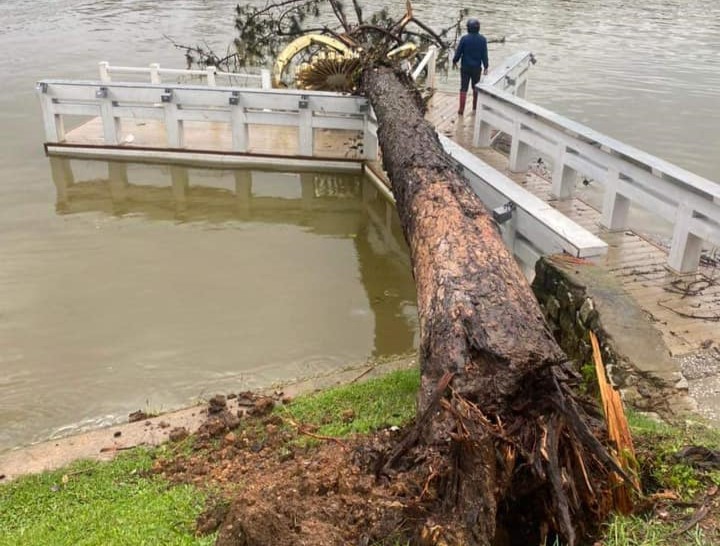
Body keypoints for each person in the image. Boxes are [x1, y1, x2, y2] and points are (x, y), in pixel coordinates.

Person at [452, 18, 489, 116]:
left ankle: (461, 109)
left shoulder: (464, 39)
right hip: (477, 68)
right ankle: (474, 107)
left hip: (465, 68)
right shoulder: (483, 40)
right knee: (475, 87)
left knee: (463, 88)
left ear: (469, 28)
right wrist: (486, 66)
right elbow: (484, 55)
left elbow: (458, 52)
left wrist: (454, 60)